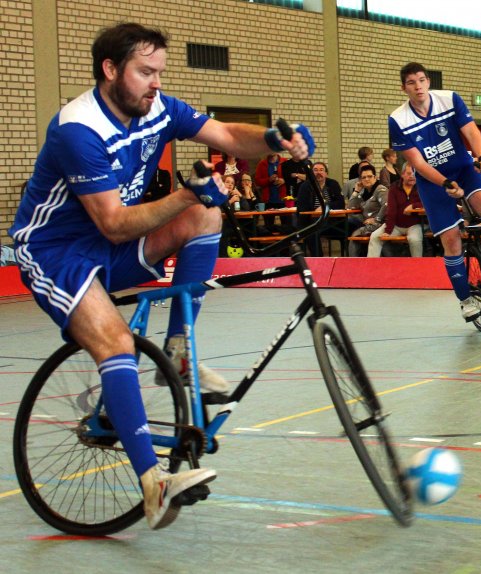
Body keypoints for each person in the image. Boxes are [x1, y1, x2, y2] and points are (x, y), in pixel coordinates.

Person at [8, 23, 314, 531]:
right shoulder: (77, 130)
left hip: (113, 245)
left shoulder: (158, 108)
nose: (155, 83)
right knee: (116, 343)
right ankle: (154, 483)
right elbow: (112, 220)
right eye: (145, 72)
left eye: (159, 73)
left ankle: (177, 350)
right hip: (56, 252)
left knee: (207, 220)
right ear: (110, 70)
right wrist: (188, 194)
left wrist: (273, 140)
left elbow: (226, 135)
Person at [389, 62, 481, 322]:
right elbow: (418, 163)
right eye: (411, 82)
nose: (418, 86)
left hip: (463, 166)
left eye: (421, 80)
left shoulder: (449, 99)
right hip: (433, 182)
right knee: (451, 239)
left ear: (428, 82)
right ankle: (465, 300)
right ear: (404, 88)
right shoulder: (397, 120)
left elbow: (472, 132)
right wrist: (445, 184)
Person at [368, 162, 423, 258]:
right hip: (395, 225)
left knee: (414, 240)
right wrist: (388, 230)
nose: (412, 176)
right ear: (402, 174)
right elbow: (391, 210)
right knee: (375, 236)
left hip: (414, 225)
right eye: (409, 173)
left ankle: (418, 267)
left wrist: (413, 206)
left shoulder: (422, 187)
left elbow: (428, 203)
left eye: (415, 174)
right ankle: (371, 267)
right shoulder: (394, 187)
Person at [297, 161, 344, 256]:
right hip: (310, 221)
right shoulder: (305, 186)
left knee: (350, 228)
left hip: (331, 220)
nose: (319, 173)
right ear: (311, 173)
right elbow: (301, 207)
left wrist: (325, 207)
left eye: (321, 170)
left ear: (326, 173)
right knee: (312, 231)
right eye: (315, 170)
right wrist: (314, 212)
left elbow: (341, 203)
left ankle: (347, 260)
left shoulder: (333, 184)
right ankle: (319, 259)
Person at [347, 164, 388, 257]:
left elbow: (387, 205)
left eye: (369, 176)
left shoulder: (380, 189)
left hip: (382, 224)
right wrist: (356, 191)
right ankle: (354, 264)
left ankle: (352, 264)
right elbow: (350, 207)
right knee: (352, 229)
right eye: (363, 177)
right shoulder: (363, 192)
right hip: (368, 224)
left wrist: (376, 219)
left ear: (375, 177)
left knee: (355, 235)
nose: (366, 179)